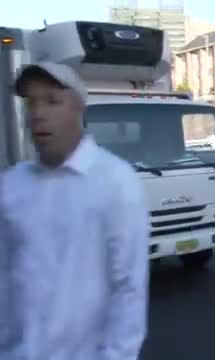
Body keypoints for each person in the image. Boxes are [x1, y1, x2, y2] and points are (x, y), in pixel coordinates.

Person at [0, 62, 150, 360]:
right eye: (32, 103)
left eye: (53, 101)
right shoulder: (13, 185)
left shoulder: (115, 182)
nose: (38, 114)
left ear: (78, 109)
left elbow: (128, 290)